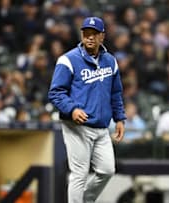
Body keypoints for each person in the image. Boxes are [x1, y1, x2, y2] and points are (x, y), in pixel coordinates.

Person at [48, 16, 126, 203]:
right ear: (82, 35)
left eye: (94, 34)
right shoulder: (68, 60)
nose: (90, 37)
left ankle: (86, 199)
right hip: (77, 125)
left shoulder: (110, 61)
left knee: (107, 170)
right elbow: (56, 93)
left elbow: (116, 93)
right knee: (79, 173)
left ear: (102, 37)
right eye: (86, 33)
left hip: (101, 126)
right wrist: (72, 109)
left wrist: (120, 119)